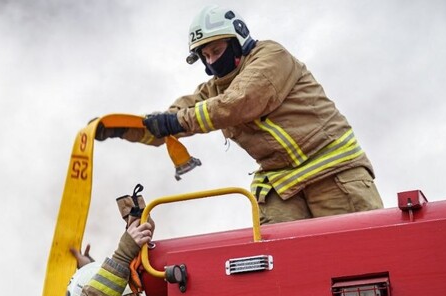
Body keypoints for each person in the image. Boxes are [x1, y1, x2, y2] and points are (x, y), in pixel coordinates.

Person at [99, 5, 384, 224]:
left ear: (238, 41)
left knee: (359, 257)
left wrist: (177, 120)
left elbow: (238, 103)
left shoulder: (271, 56)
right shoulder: (214, 88)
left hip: (333, 173)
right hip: (281, 184)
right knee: (284, 267)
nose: (212, 61)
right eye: (205, 57)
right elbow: (174, 117)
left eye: (217, 50)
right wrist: (123, 128)